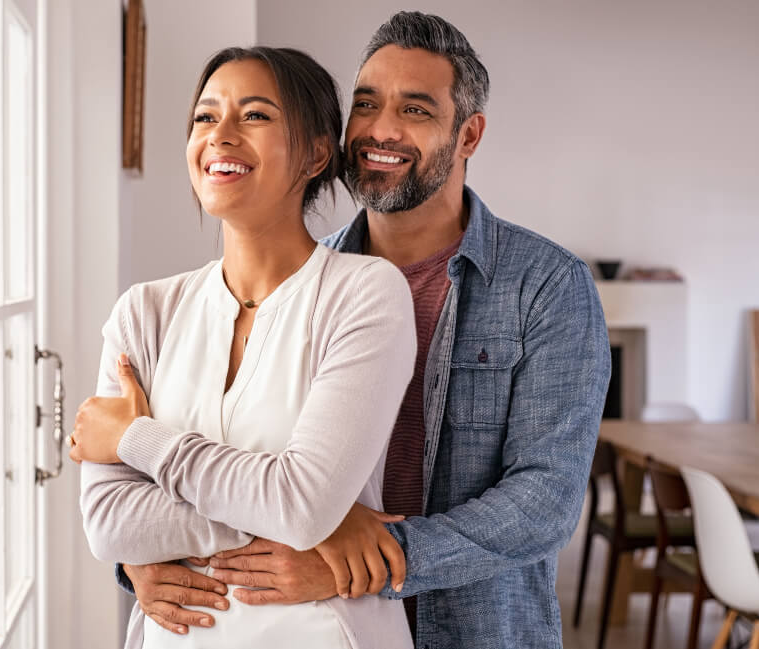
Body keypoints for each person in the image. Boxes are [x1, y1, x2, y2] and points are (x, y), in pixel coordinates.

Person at [121, 12, 612, 649]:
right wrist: (139, 559)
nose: (381, 130)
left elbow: (544, 498)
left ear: (469, 135)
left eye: (415, 110)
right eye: (365, 104)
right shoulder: (296, 279)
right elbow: (223, 453)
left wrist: (373, 559)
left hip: (475, 631)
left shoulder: (545, 285)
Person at [71, 46, 418, 648]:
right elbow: (107, 524)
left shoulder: (365, 294)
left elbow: (301, 503)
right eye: (205, 118)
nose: (220, 136)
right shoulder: (144, 313)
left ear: (314, 153)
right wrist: (296, 517)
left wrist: (134, 439)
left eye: (254, 116)